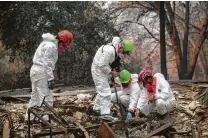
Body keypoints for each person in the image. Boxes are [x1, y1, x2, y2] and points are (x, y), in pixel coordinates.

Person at [25, 30, 74, 120]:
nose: (63, 47)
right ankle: (45, 121)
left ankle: (29, 118)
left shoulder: (46, 43)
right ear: (61, 41)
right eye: (63, 45)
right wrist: (51, 78)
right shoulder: (51, 46)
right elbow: (47, 63)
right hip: (42, 72)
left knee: (35, 96)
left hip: (35, 70)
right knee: (46, 97)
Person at [91, 37, 134, 117]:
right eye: (124, 52)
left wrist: (113, 77)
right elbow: (102, 64)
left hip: (102, 70)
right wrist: (111, 72)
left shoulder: (115, 52)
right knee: (106, 92)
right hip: (98, 70)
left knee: (102, 90)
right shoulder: (110, 50)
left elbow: (113, 66)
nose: (124, 54)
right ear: (121, 47)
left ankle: (96, 108)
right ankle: (105, 114)